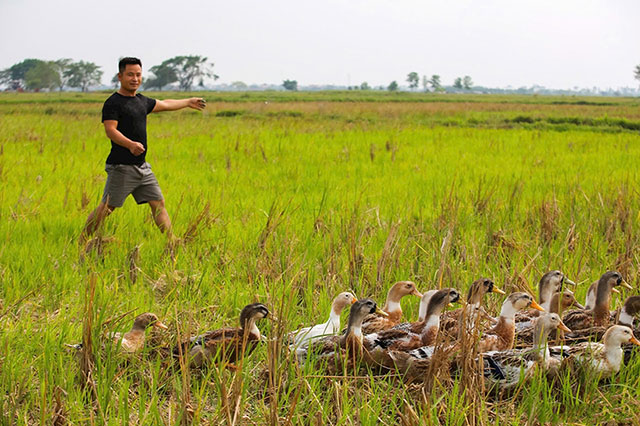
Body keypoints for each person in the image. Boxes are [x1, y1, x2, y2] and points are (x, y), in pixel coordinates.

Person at [80, 57, 206, 248]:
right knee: (107, 207)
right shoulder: (113, 103)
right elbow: (110, 130)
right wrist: (130, 144)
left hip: (142, 167)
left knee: (158, 203)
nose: (135, 78)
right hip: (121, 167)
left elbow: (165, 104)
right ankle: (82, 239)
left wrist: (188, 102)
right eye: (130, 74)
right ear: (120, 76)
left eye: (138, 75)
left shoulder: (141, 101)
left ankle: (172, 241)